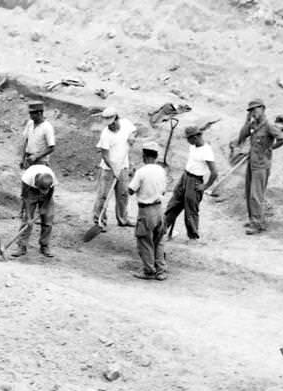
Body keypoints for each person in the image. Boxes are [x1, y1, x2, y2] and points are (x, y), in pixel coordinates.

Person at [232, 99, 283, 234]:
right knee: (249, 193)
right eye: (250, 110)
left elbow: (282, 139)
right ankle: (254, 220)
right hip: (252, 163)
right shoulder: (253, 125)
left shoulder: (268, 126)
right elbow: (241, 138)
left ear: (263, 108)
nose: (253, 112)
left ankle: (257, 224)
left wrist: (270, 148)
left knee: (256, 195)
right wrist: (247, 121)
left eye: (255, 109)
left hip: (261, 165)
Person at [164, 125, 219, 241]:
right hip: (185, 176)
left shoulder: (206, 151)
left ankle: (193, 237)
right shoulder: (193, 146)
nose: (187, 141)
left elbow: (214, 172)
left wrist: (205, 186)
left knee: (191, 210)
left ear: (195, 137)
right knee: (173, 204)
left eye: (188, 138)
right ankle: (163, 229)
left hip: (195, 180)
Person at [128, 141, 168, 280]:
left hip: (146, 211)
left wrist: (130, 177)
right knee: (159, 241)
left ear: (144, 155)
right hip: (159, 209)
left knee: (144, 241)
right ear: (156, 156)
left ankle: (149, 270)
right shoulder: (161, 171)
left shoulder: (141, 172)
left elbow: (130, 190)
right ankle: (161, 270)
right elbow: (164, 190)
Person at [92, 107, 135, 231]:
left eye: (112, 123)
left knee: (123, 194)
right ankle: (99, 220)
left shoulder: (126, 124)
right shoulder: (105, 134)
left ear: (117, 119)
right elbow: (105, 155)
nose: (110, 126)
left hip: (123, 167)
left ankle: (123, 219)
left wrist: (132, 136)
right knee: (103, 195)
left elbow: (134, 131)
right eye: (108, 124)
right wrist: (114, 168)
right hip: (108, 169)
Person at [11, 164, 56, 258]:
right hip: (30, 193)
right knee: (26, 221)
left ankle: (44, 246)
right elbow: (25, 198)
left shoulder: (51, 177)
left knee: (48, 220)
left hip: (47, 197)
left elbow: (50, 192)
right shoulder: (27, 178)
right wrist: (29, 217)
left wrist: (44, 207)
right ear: (36, 184)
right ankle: (22, 246)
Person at [19, 101, 56, 169]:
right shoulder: (30, 123)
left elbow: (51, 148)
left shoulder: (47, 127)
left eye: (32, 113)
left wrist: (36, 156)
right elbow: (26, 141)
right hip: (29, 159)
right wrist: (23, 158)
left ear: (39, 113)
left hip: (41, 162)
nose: (30, 116)